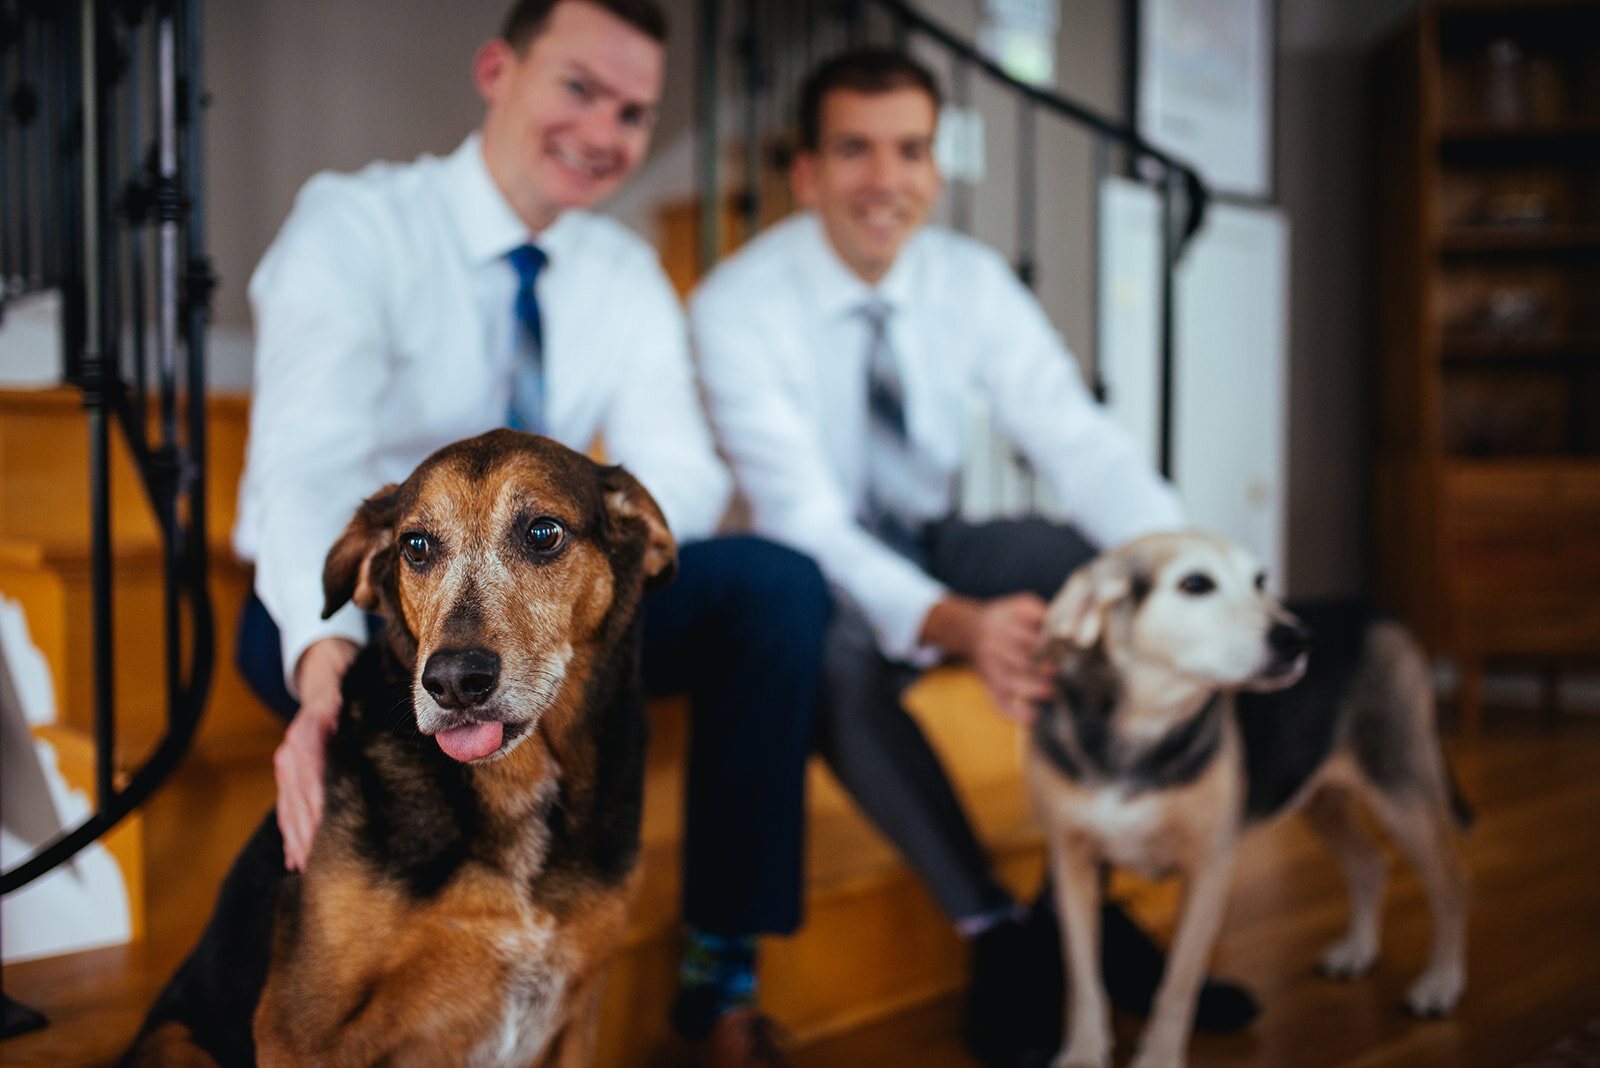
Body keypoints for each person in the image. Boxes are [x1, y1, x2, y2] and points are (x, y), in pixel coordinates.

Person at [230, 3, 824, 1063]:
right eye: (579, 88)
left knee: (777, 587)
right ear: (498, 68)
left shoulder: (623, 271)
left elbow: (676, 462)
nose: (605, 132)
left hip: (552, 578)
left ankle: (718, 969)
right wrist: (322, 665)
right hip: (369, 597)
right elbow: (306, 464)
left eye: (635, 112)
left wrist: (558, 510)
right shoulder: (358, 222)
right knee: (396, 626)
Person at [689, 48, 1257, 1065]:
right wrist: (953, 622)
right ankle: (996, 928)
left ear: (935, 168)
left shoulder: (969, 280)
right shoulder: (736, 303)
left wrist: (1188, 571)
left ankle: (1076, 901)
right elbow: (806, 520)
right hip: (809, 558)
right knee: (824, 648)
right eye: (854, 150)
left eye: (909, 150)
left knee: (1069, 553)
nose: (885, 180)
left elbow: (1075, 438)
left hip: (931, 528)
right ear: (806, 172)